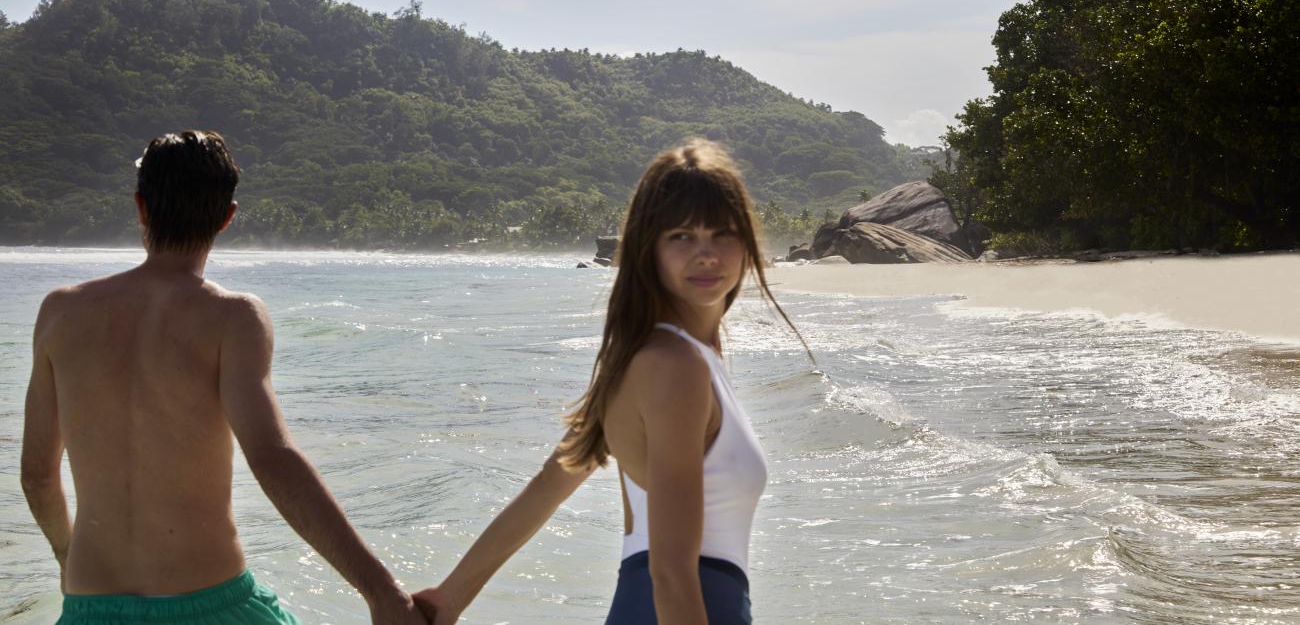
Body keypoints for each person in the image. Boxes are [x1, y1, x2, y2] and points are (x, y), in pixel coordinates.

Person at [20, 131, 425, 625]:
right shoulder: (233, 317)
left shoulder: (61, 312)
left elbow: (37, 475)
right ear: (227, 217)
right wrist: (381, 590)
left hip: (91, 607)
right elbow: (273, 458)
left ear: (140, 207)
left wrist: (67, 557)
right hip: (214, 604)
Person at [414, 139, 807, 624]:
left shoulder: (658, 358)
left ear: (746, 241)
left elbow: (551, 483)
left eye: (722, 233)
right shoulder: (673, 366)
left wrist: (449, 599)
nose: (706, 254)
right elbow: (671, 574)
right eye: (682, 236)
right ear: (649, 249)